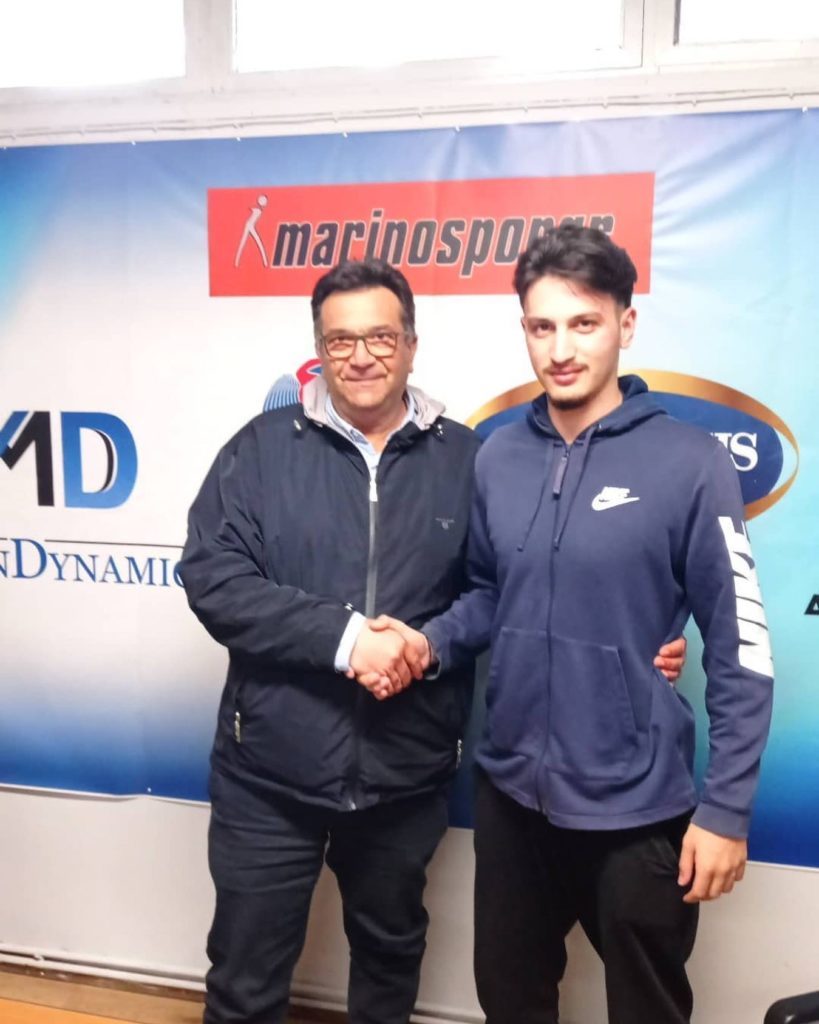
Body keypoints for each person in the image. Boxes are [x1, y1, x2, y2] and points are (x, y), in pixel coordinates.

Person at [179, 256, 686, 1024]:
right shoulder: (258, 450)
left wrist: (642, 634)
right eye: (340, 340)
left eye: (380, 337)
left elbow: (510, 585)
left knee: (389, 962)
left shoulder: (471, 459)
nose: (360, 356)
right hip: (269, 775)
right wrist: (347, 639)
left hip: (403, 773)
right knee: (244, 980)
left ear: (411, 345)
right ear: (318, 350)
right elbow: (214, 578)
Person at [374, 226, 774, 1024]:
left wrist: (725, 810)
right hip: (512, 798)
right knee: (511, 1004)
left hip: (637, 806)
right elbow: (489, 594)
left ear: (625, 325)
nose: (560, 349)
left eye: (583, 323)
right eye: (541, 326)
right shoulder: (497, 457)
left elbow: (740, 647)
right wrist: (427, 643)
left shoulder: (690, 462)